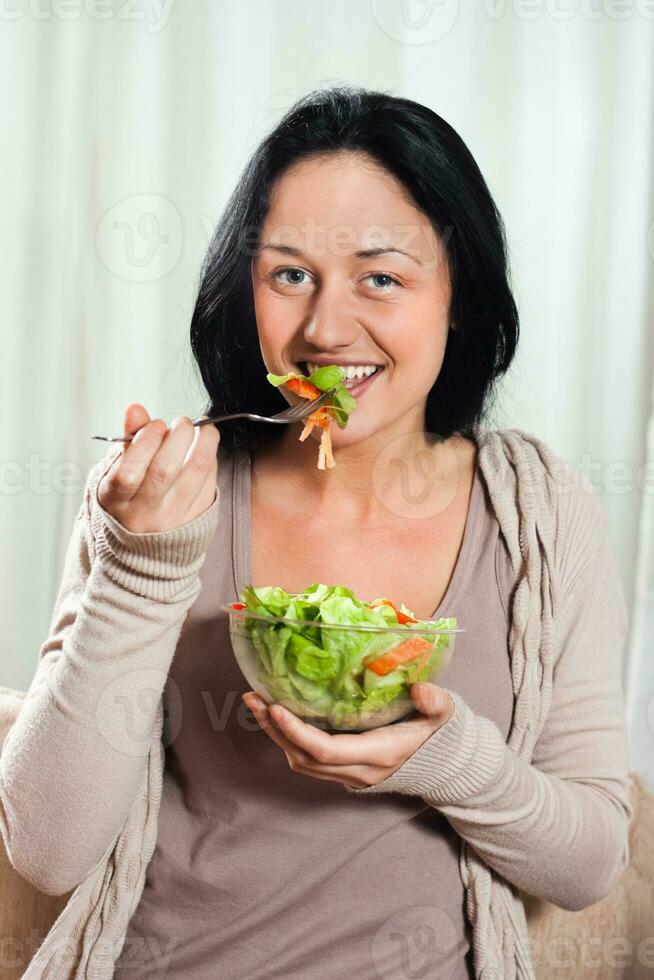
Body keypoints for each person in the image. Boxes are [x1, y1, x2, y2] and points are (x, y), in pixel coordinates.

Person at [1, 85, 632, 980]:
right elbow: (46, 849)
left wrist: (450, 764)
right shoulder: (164, 499)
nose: (327, 330)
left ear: (460, 295)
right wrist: (140, 569)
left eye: (381, 276)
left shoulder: (539, 511)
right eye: (290, 274)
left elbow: (592, 862)